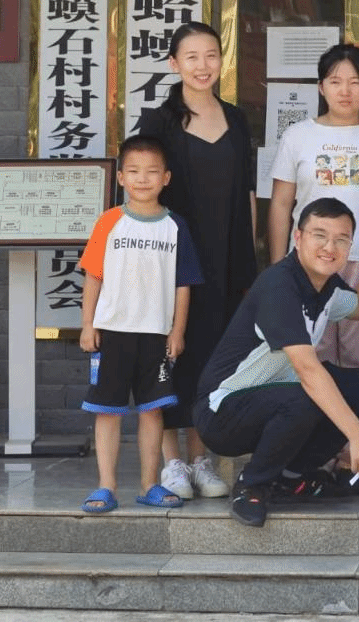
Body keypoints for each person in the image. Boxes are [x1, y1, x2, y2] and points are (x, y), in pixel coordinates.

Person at [194, 198, 359, 528]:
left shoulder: (325, 286)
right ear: (298, 238)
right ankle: (252, 485)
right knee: (307, 394)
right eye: (320, 235)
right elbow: (307, 371)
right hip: (222, 411)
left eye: (341, 239)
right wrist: (358, 436)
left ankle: (291, 477)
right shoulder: (279, 285)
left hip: (272, 397)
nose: (330, 247)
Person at [140, 21, 256, 501]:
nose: (203, 66)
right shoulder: (158, 122)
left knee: (214, 356)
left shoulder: (237, 119)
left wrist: (250, 261)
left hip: (226, 258)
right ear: (174, 64)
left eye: (211, 55)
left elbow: (248, 194)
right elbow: (143, 193)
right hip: (172, 258)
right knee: (170, 355)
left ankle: (202, 457)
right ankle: (172, 462)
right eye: (191, 57)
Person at [78, 135, 203, 513]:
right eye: (133, 171)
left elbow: (183, 285)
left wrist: (177, 331)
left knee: (152, 411)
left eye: (151, 172)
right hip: (112, 332)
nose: (142, 179)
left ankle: (150, 484)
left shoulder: (176, 226)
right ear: (121, 178)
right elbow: (93, 276)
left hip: (155, 336)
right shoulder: (109, 222)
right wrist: (87, 324)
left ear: (166, 178)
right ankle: (106, 486)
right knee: (107, 410)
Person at [269, 43, 359, 371]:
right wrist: (277, 267)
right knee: (309, 358)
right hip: (307, 260)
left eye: (355, 82)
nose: (345, 91)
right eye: (335, 81)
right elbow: (281, 204)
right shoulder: (297, 136)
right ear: (321, 87)